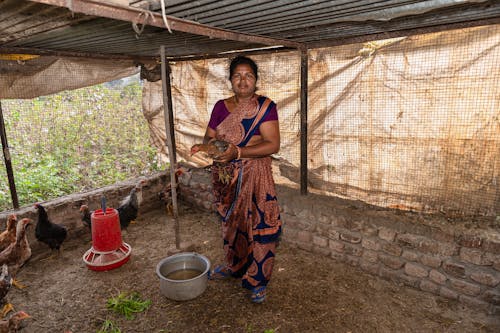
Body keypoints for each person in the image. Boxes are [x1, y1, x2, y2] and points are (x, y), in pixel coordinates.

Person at [202, 55, 282, 303]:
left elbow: (273, 144)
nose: (243, 80)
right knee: (231, 226)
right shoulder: (219, 107)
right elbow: (209, 140)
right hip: (227, 179)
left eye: (248, 75)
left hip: (257, 176)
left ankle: (258, 280)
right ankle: (233, 266)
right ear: (231, 80)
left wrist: (238, 151)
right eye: (237, 75)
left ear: (256, 80)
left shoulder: (266, 107)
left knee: (262, 226)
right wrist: (215, 150)